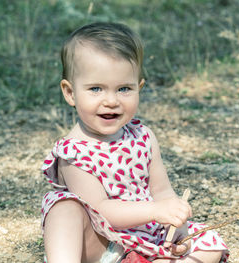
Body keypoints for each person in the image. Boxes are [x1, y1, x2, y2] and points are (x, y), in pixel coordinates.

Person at [41, 22, 229, 263]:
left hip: (148, 237)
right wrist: (154, 211)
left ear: (139, 88)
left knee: (209, 243)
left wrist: (177, 225)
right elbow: (101, 209)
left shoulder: (143, 137)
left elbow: (161, 191)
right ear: (70, 93)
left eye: (124, 89)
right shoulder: (73, 152)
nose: (111, 101)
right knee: (64, 208)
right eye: (96, 89)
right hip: (102, 245)